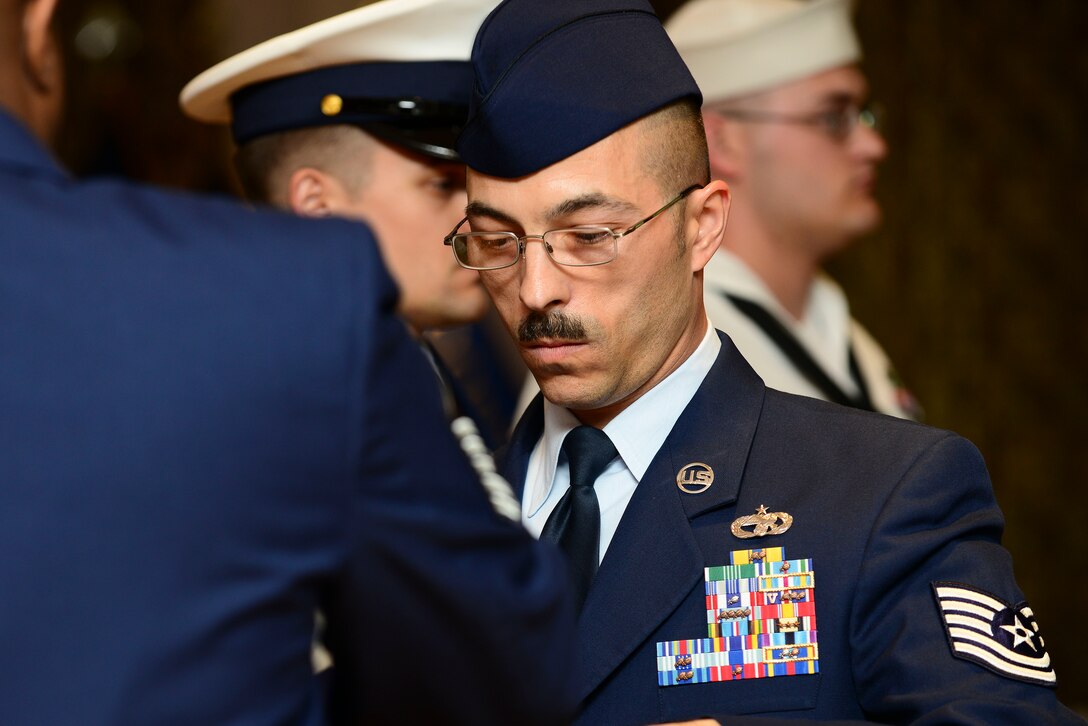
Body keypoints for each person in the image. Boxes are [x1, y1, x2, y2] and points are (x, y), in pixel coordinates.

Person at [447, 0, 1083, 722]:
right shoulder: (433, 517)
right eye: (497, 243)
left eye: (591, 236)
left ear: (702, 227)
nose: (535, 291)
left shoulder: (880, 497)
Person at [0, 0, 576, 724]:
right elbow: (489, 664)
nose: (478, 218)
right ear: (37, 32)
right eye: (440, 185)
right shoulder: (287, 320)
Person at [180, 0, 515, 447]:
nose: (478, 217)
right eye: (440, 185)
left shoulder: (392, 368)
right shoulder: (298, 408)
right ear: (317, 206)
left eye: (474, 184)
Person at [666, 0, 920, 419]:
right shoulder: (663, 360)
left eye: (865, 116)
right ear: (724, 142)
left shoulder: (848, 340)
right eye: (833, 117)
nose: (874, 146)